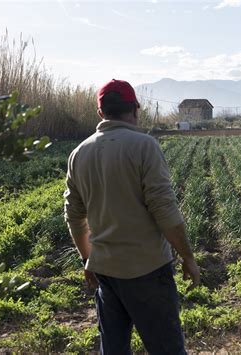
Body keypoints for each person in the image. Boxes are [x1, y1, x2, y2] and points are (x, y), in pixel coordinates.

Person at [64, 79, 200, 355]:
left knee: (113, 349)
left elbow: (74, 216)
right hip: (147, 269)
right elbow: (164, 210)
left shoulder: (79, 154)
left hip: (106, 272)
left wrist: (87, 258)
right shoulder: (144, 146)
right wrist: (188, 257)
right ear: (135, 110)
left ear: (101, 113)